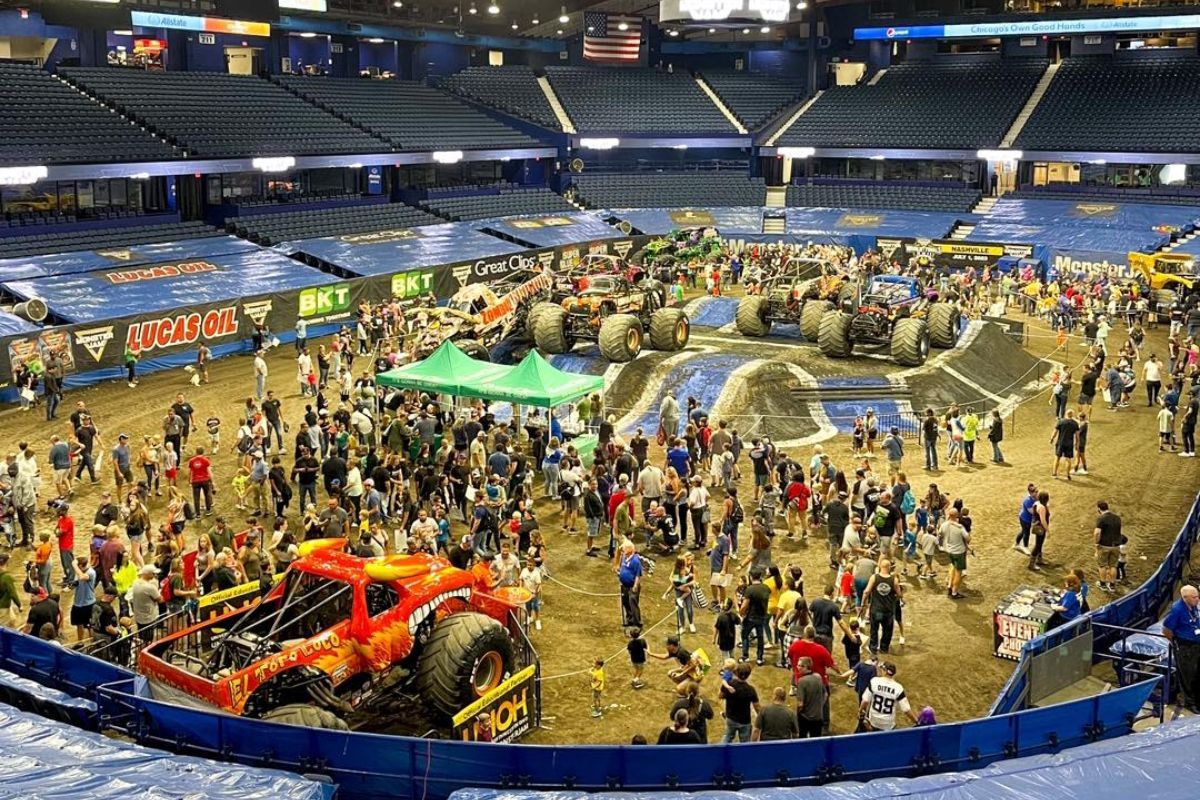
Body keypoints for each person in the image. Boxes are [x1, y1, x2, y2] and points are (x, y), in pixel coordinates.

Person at [1162, 585, 1200, 713]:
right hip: (1185, 647)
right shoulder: (1177, 610)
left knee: (1196, 674)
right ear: (1185, 598)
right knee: (1187, 676)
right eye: (1194, 597)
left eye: (1197, 596)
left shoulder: (1193, 606)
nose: (1198, 599)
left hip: (1196, 644)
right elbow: (1166, 630)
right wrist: (1175, 643)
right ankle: (1190, 702)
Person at [859, 662, 918, 732]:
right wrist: (916, 721)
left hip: (874, 721)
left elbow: (865, 701)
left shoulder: (874, 681)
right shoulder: (898, 688)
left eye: (882, 669)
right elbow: (906, 709)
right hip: (888, 724)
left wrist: (860, 712)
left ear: (885, 671)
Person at [863, 557, 902, 653]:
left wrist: (863, 602)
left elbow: (866, 591)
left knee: (874, 630)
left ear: (880, 566)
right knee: (887, 631)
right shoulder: (894, 580)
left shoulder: (874, 577)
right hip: (888, 610)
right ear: (889, 567)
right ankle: (884, 648)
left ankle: (873, 648)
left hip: (876, 609)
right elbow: (899, 594)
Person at [719, 662, 759, 743]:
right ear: (748, 675)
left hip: (730, 718)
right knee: (745, 743)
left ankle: (721, 753)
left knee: (727, 737)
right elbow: (757, 707)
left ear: (736, 673)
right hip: (744, 721)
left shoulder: (729, 684)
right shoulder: (751, 690)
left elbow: (720, 696)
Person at [740, 567, 771, 666]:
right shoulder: (766, 588)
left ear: (751, 577)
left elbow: (745, 605)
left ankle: (745, 656)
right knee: (760, 637)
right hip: (762, 616)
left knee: (745, 636)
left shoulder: (750, 590)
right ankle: (759, 658)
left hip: (750, 617)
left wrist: (741, 613)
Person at [940, 508, 970, 598]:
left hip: (949, 550)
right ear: (957, 516)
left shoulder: (944, 525)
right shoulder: (959, 527)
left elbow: (940, 533)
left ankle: (949, 585)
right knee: (958, 572)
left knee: (952, 566)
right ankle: (954, 592)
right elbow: (968, 538)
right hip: (959, 551)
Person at [1094, 501, 1123, 592]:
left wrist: (1096, 543)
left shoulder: (1101, 519)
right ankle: (1112, 585)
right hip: (1116, 545)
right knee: (1113, 566)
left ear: (1099, 509)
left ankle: (1103, 584)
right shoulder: (1117, 518)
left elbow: (1097, 532)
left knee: (1102, 565)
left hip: (1104, 545)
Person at [793, 657, 825, 738]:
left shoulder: (802, 681)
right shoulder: (818, 677)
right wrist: (819, 706)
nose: (798, 667)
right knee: (816, 741)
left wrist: (798, 713)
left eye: (800, 666)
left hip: (805, 718)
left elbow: (800, 704)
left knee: (802, 740)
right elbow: (826, 694)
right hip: (818, 717)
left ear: (806, 667)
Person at [616, 540, 643, 629]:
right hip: (624, 585)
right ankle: (629, 619)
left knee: (632, 603)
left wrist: (635, 585)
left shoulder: (636, 560)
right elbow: (622, 565)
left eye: (624, 548)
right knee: (625, 602)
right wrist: (620, 571)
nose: (623, 550)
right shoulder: (624, 556)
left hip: (632, 586)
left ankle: (637, 622)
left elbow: (638, 575)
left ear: (630, 550)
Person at [1051, 410, 1080, 481]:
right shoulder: (1075, 424)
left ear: (1066, 414)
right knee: (1068, 459)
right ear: (1072, 415)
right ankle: (1068, 475)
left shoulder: (1061, 422)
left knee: (1057, 458)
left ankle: (1054, 474)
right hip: (1069, 443)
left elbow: (1055, 432)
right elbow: (1077, 436)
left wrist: (1051, 438)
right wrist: (1077, 444)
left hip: (1060, 443)